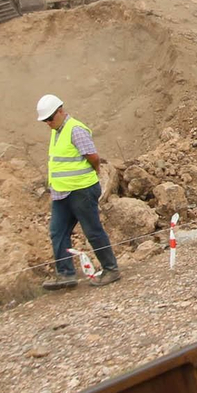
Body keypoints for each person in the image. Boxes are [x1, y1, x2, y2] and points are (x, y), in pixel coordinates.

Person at [37, 94, 121, 289]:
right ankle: (65, 274)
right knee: (57, 232)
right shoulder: (57, 131)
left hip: (82, 190)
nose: (48, 123)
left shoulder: (75, 130)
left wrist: (95, 171)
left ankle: (111, 269)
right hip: (62, 192)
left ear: (60, 111)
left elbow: (93, 157)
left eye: (50, 118)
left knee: (92, 230)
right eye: (45, 120)